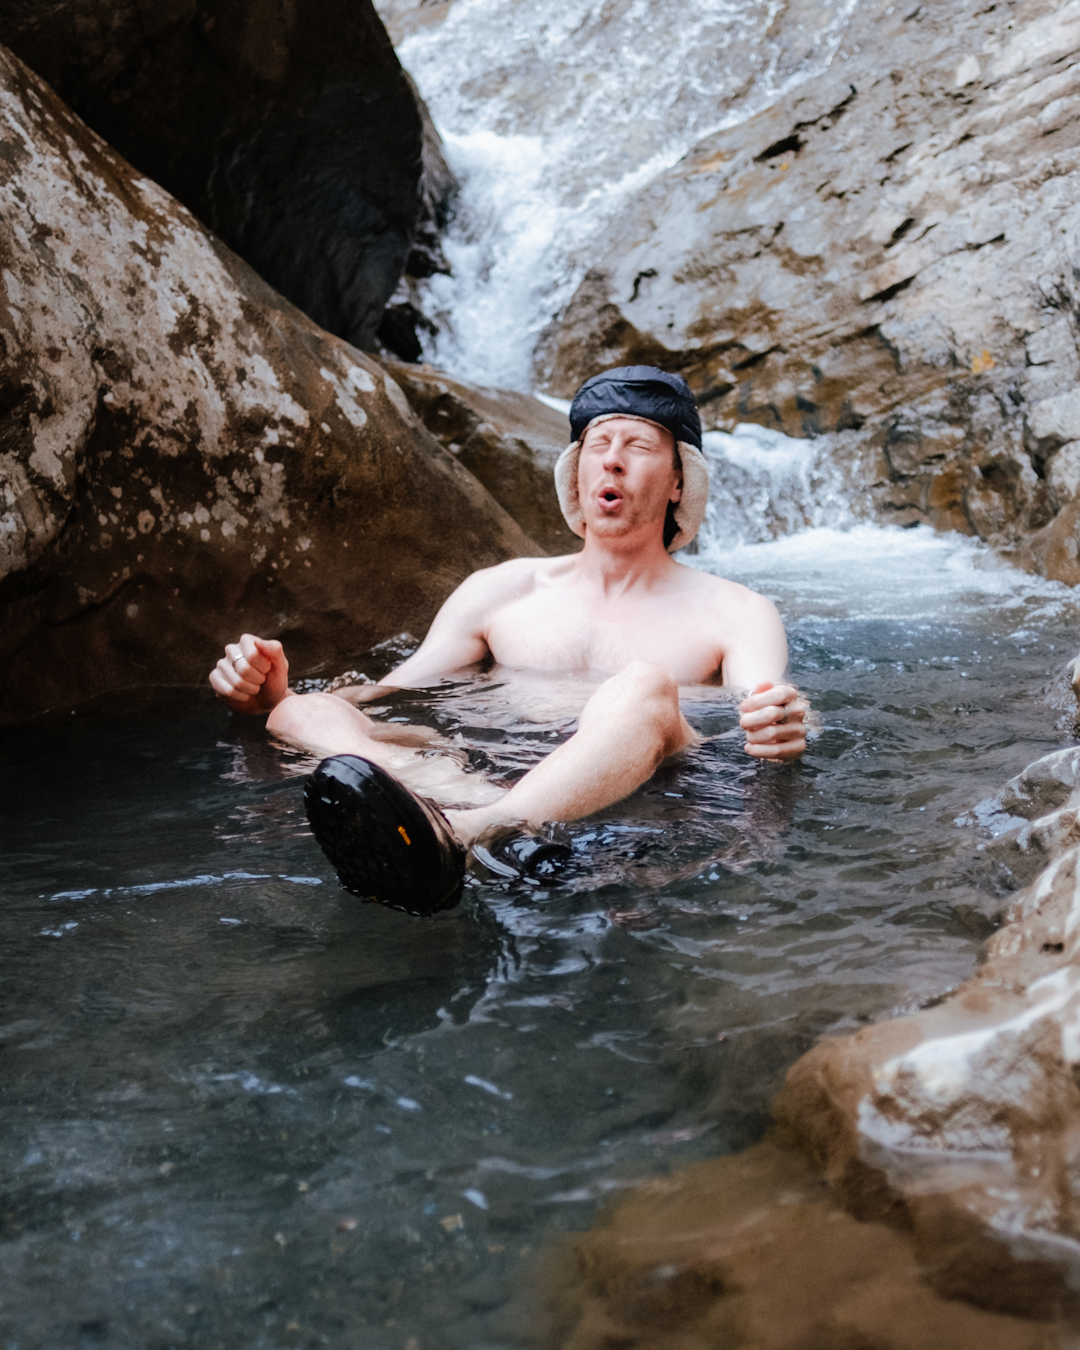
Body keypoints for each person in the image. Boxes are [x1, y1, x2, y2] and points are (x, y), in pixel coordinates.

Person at [210, 366, 807, 916]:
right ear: (577, 473)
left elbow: (764, 712)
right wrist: (269, 695)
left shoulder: (736, 610)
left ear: (678, 481)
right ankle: (461, 813)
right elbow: (395, 691)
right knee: (304, 711)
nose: (613, 462)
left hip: (648, 791)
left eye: (639, 446)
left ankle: (468, 832)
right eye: (598, 446)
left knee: (646, 684)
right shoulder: (501, 589)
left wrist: (783, 727)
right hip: (481, 774)